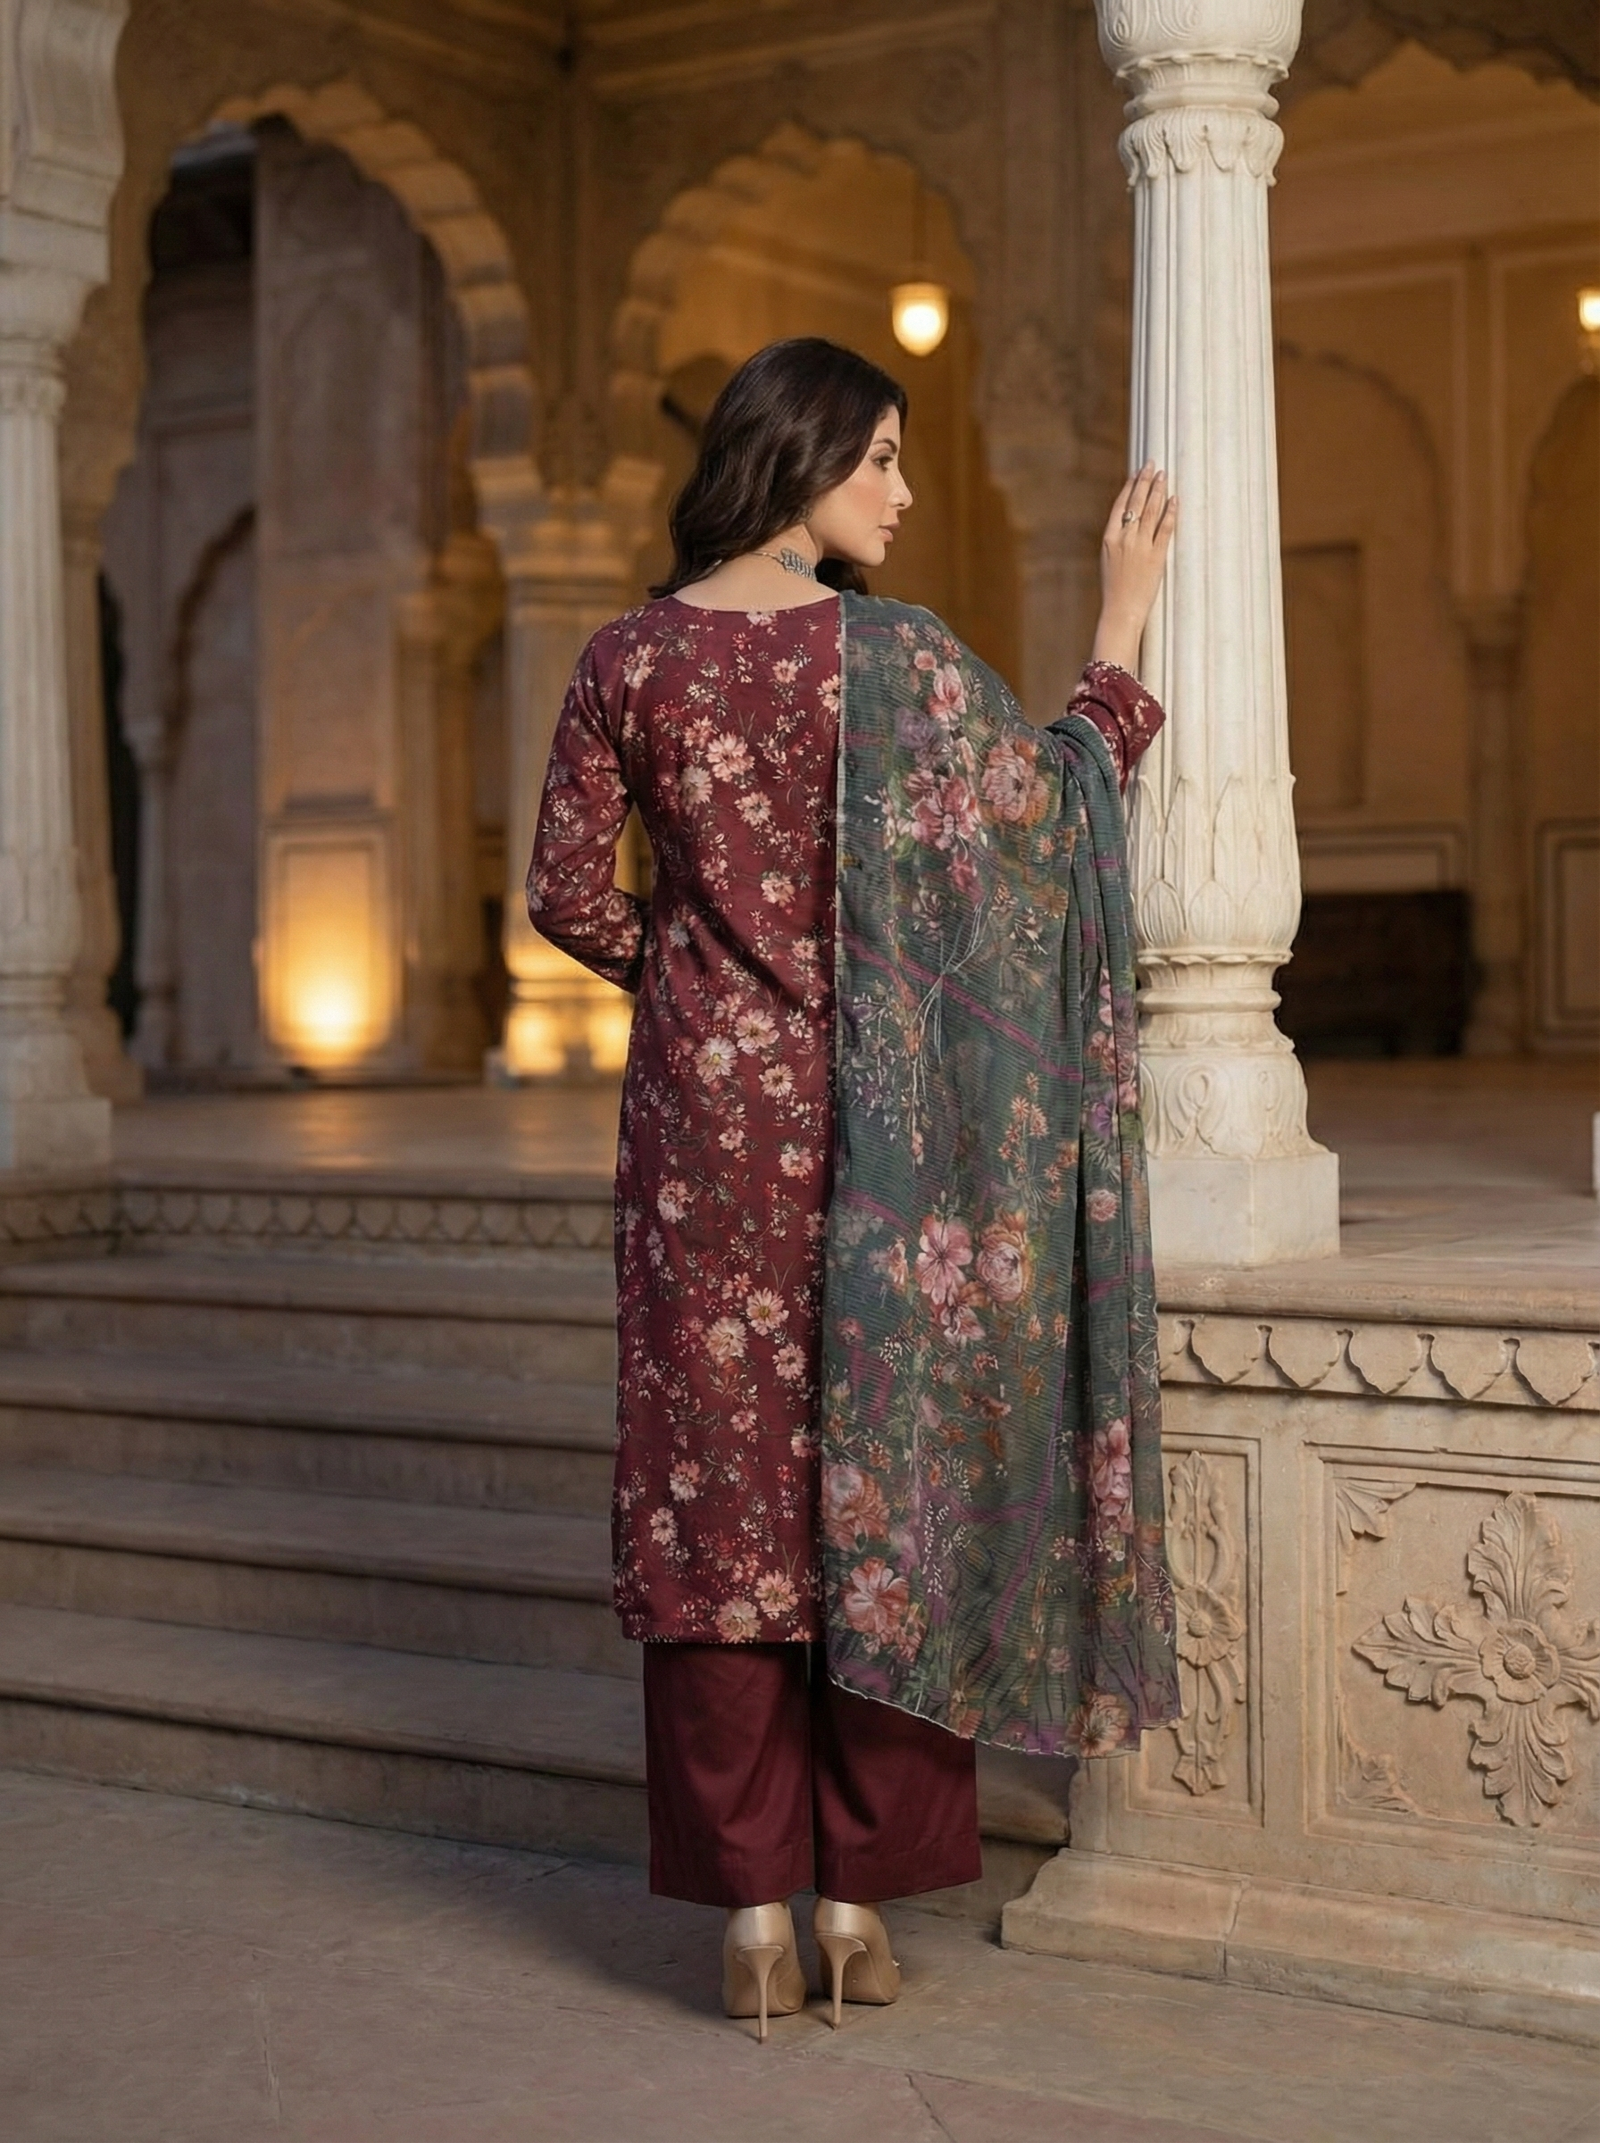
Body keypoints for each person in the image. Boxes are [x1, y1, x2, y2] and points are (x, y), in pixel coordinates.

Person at [528, 337, 1179, 2041]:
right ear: (799, 459)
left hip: (705, 1142)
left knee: (723, 1502)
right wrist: (1120, 626)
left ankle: (751, 1912)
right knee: (895, 1479)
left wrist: (699, 982)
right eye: (878, 457)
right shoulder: (899, 660)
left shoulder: (626, 657)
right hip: (897, 1143)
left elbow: (566, 893)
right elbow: (1050, 825)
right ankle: (853, 1901)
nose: (901, 490)